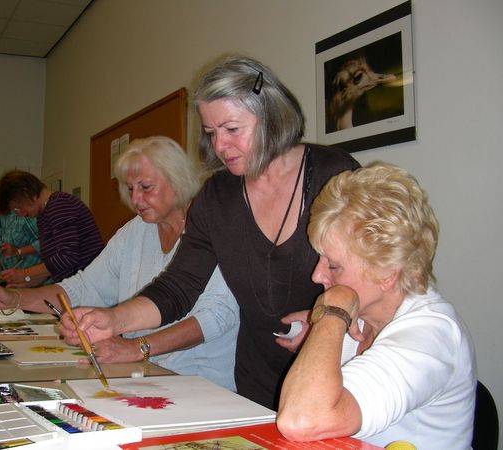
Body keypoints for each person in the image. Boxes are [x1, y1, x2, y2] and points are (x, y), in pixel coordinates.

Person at [58, 55, 360, 409]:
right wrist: (112, 319)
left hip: (337, 372)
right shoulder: (217, 197)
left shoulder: (334, 174)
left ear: (271, 117)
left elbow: (373, 274)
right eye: (211, 133)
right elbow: (178, 288)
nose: (219, 146)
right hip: (257, 382)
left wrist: (322, 320)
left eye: (232, 130)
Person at [0, 136, 239, 391]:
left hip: (202, 383)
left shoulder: (213, 228)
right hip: (146, 377)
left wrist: (136, 347)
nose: (135, 200)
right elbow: (84, 287)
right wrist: (15, 299)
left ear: (178, 181)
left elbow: (217, 316)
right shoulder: (134, 233)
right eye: (130, 189)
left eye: (145, 187)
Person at [276, 163, 476, 449]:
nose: (317, 276)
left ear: (387, 273)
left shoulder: (432, 335)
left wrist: (333, 311)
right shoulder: (363, 317)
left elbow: (301, 420)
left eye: (333, 265)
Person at [0, 170, 104, 286]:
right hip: (79, 285)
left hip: (93, 285)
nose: (20, 214)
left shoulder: (59, 205)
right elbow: (53, 268)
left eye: (17, 208)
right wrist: (25, 283)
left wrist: (24, 273)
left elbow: (67, 257)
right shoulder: (43, 215)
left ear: (27, 194)